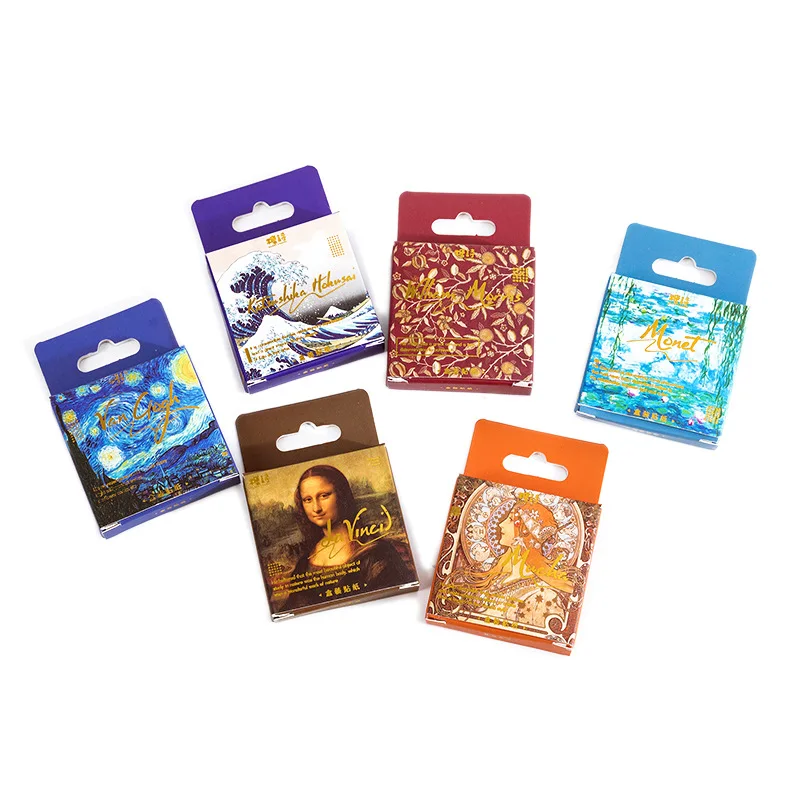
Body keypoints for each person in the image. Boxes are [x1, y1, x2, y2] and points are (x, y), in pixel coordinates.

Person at [279, 465, 414, 611]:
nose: (316, 508)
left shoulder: (376, 553)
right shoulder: (304, 564)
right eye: (308, 499)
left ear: (341, 496)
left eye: (324, 496)